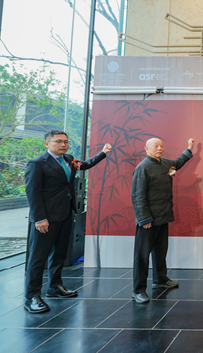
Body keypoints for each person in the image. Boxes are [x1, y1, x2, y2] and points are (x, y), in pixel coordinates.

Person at [24, 129, 112, 313]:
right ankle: (32, 296)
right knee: (38, 258)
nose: (63, 144)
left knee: (59, 254)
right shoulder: (37, 163)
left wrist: (103, 153)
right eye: (58, 141)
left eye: (65, 141)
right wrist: (40, 218)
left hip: (65, 214)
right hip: (45, 218)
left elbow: (85, 165)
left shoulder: (69, 159)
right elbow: (33, 193)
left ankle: (55, 287)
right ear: (47, 144)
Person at [131, 137, 194, 304]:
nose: (159, 148)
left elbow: (178, 162)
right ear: (146, 149)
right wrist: (144, 219)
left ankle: (160, 280)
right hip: (148, 220)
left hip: (163, 216)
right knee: (142, 256)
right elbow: (137, 196)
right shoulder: (142, 167)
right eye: (155, 146)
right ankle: (138, 290)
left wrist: (188, 149)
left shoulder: (165, 163)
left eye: (161, 146)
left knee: (160, 251)